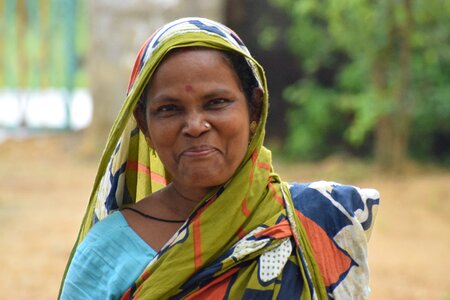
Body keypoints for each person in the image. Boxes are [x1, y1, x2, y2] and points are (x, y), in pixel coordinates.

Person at [59, 17, 379, 299]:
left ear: (254, 108)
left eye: (216, 102)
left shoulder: (313, 221)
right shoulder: (106, 252)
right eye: (169, 109)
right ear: (144, 125)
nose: (195, 126)